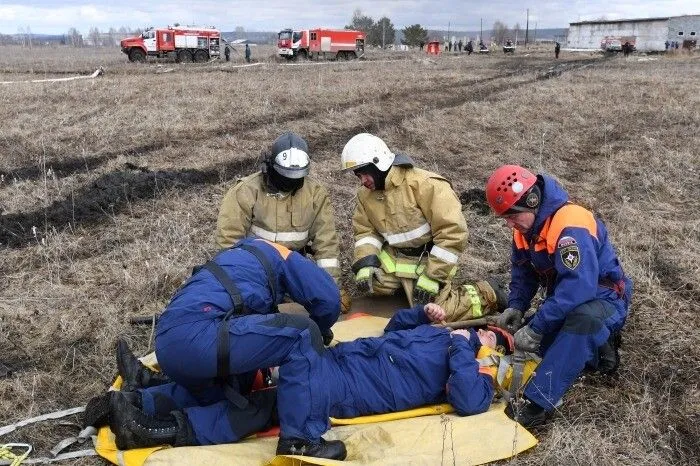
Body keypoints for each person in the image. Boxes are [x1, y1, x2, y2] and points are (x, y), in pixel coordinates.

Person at [91, 303, 527, 461]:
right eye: (487, 328)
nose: (485, 331)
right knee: (251, 371)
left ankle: (155, 426)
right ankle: (139, 397)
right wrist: (420, 318)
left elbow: (470, 402)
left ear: (498, 348)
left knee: (260, 408)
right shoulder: (442, 336)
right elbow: (392, 335)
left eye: (494, 335)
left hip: (346, 390)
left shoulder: (477, 365)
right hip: (335, 361)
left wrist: (464, 349)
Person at [84, 238, 341, 452]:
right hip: (201, 339)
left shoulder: (239, 257)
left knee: (228, 389)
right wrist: (319, 330)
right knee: (302, 336)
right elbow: (329, 300)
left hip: (170, 339)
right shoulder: (284, 257)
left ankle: (136, 402)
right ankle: (302, 442)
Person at [486, 165, 632, 427]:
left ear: (532, 201)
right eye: (504, 218)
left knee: (580, 324)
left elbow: (579, 288)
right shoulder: (524, 229)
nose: (509, 223)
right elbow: (523, 274)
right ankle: (599, 350)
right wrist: (517, 307)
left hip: (604, 299)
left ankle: (538, 402)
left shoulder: (571, 224)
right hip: (567, 298)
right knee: (542, 340)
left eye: (511, 216)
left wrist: (538, 326)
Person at [340, 133, 506, 321]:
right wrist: (366, 263)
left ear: (378, 164)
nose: (362, 181)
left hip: (429, 260)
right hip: (397, 258)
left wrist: (433, 277)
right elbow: (366, 232)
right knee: (374, 284)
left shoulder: (426, 185)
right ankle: (407, 290)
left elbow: (452, 234)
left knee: (437, 314)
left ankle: (487, 292)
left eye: (364, 173)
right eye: (358, 176)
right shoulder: (366, 195)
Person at [216, 132, 349, 312]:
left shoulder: (315, 195)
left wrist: (332, 289)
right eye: (285, 176)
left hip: (294, 267)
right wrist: (237, 286)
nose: (291, 182)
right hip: (254, 268)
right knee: (251, 309)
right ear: (270, 166)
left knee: (318, 306)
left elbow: (326, 245)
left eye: (297, 177)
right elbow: (228, 241)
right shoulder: (246, 191)